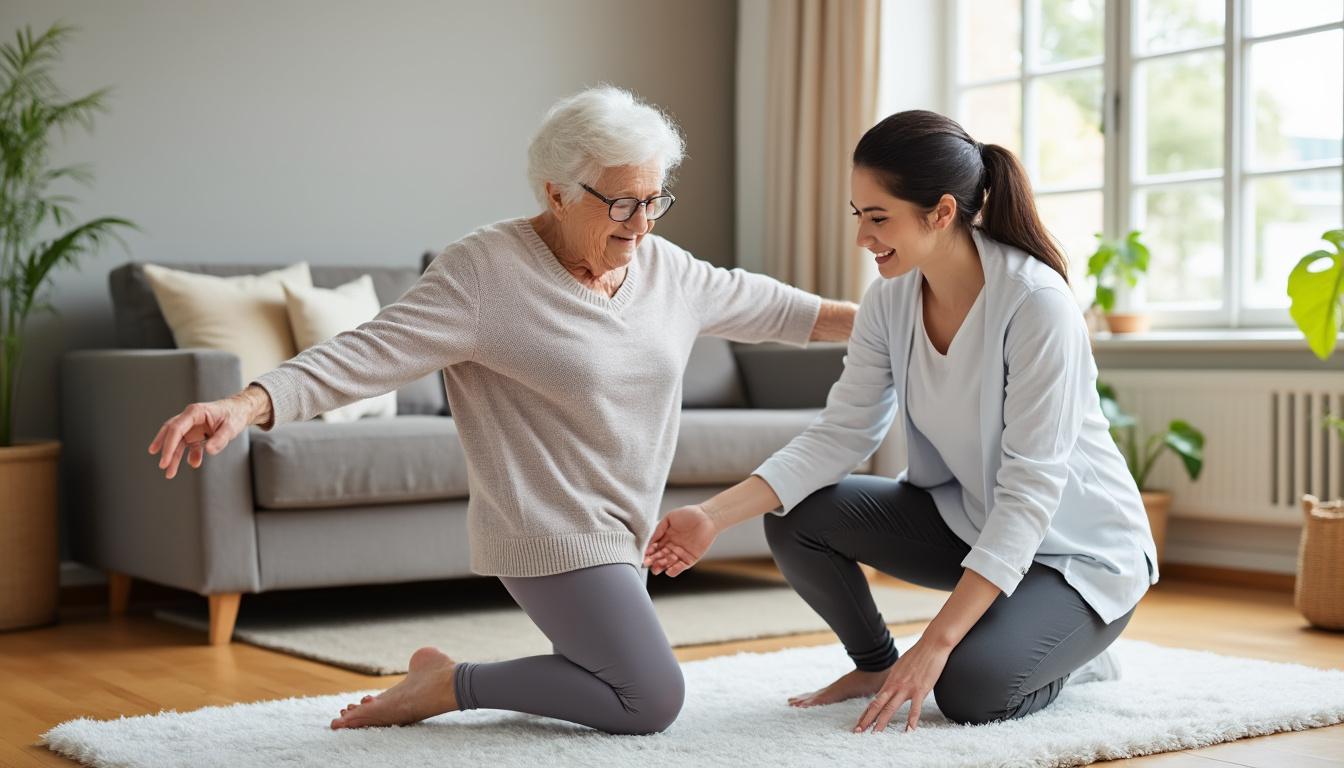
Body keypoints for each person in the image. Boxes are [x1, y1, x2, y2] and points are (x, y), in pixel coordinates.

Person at [146, 85, 858, 735]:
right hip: (545, 527)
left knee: (601, 678)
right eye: (621, 203)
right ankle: (446, 685)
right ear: (557, 193)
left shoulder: (665, 269)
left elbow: (785, 311)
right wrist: (247, 403)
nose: (641, 224)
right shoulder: (486, 272)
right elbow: (367, 351)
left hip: (627, 530)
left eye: (654, 200)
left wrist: (896, 318)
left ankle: (452, 677)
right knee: (648, 697)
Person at [644, 109, 1158, 735]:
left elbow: (1030, 492)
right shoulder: (889, 301)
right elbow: (843, 432)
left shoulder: (1036, 305)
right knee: (797, 514)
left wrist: (936, 643)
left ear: (942, 212)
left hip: (1077, 554)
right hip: (971, 523)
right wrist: (713, 516)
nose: (863, 236)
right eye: (857, 215)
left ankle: (1076, 657)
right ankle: (875, 665)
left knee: (970, 692)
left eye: (879, 217)